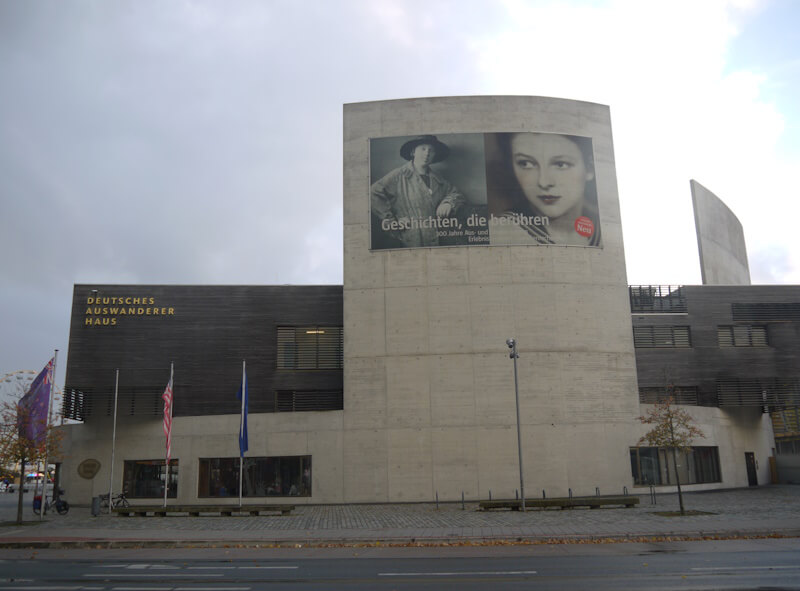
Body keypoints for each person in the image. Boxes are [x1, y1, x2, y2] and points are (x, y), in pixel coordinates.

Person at [488, 132, 601, 247]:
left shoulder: (603, 227)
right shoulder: (496, 233)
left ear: (590, 168)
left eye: (561, 164)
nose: (544, 182)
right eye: (526, 163)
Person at [371, 135, 466, 248]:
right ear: (413, 152)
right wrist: (392, 221)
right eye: (423, 149)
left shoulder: (438, 179)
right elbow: (373, 193)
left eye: (431, 150)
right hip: (410, 236)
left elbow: (456, 194)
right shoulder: (399, 175)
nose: (427, 153)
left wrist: (448, 203)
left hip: (437, 237)